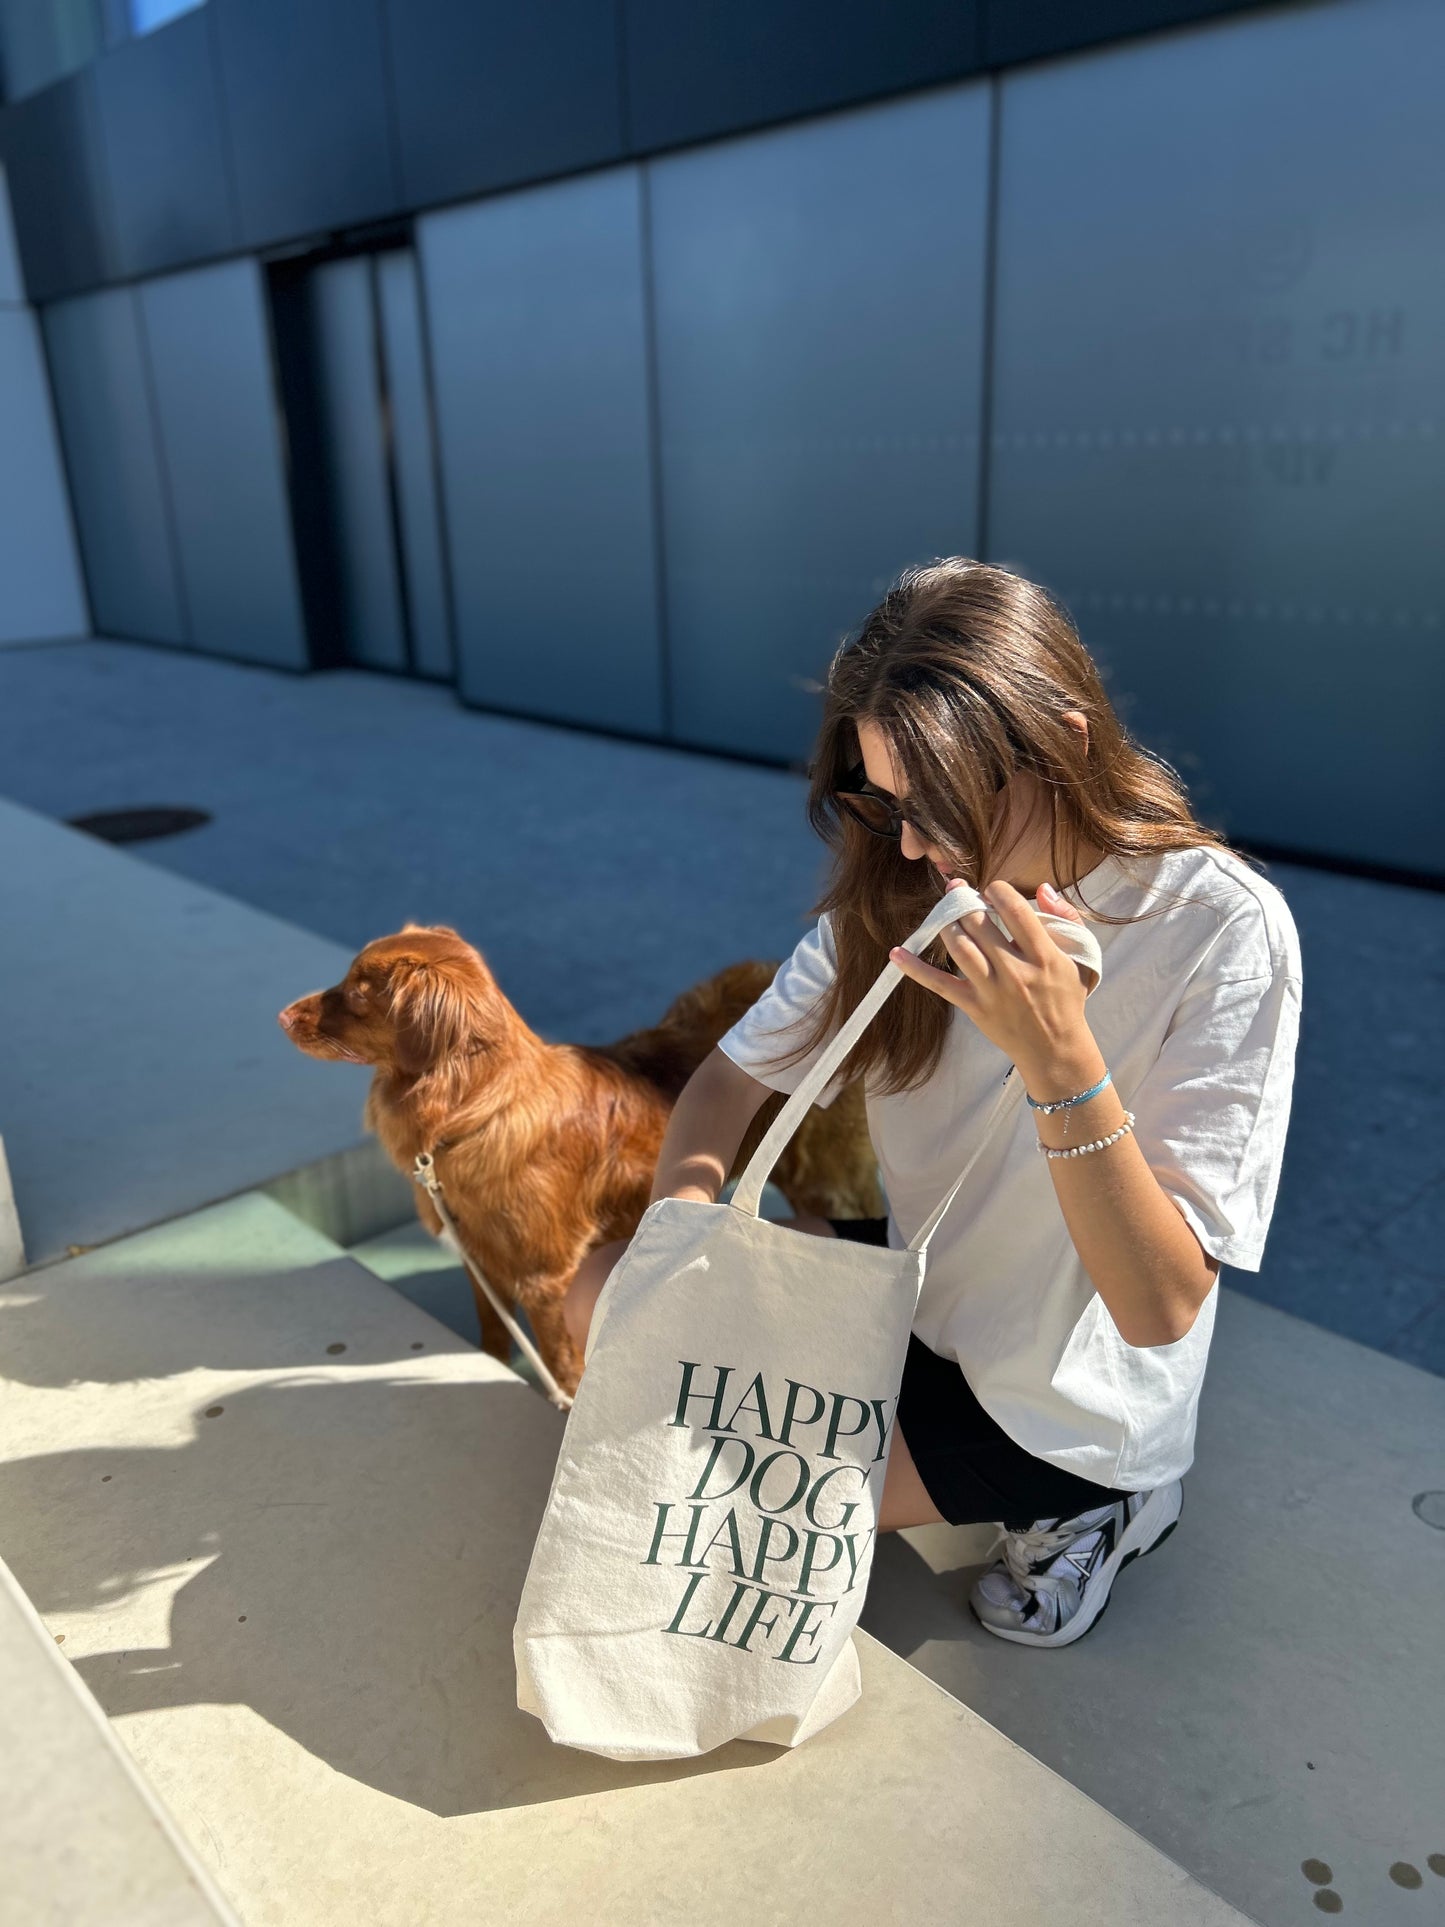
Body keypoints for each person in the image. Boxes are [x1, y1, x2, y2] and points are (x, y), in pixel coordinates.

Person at [563, 557, 1302, 1649]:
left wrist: (1058, 1059)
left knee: (722, 1539)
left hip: (1060, 1393)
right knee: (595, 1292)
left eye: (941, 804)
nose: (909, 843)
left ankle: (1097, 1504)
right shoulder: (901, 890)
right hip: (910, 1293)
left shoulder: (1220, 932)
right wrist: (687, 1233)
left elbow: (1156, 1307)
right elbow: (726, 1083)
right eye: (883, 801)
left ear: (1065, 741)